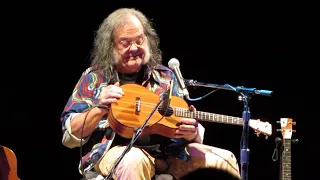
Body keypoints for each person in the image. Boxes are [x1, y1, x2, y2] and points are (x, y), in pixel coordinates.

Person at [60, 7, 241, 180]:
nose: (134, 48)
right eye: (125, 42)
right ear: (110, 46)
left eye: (139, 40)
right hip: (114, 153)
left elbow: (184, 121)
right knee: (133, 160)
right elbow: (70, 138)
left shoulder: (166, 76)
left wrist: (191, 132)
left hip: (168, 154)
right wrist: (99, 109)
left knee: (223, 159)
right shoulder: (94, 78)